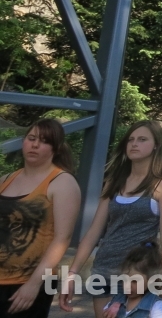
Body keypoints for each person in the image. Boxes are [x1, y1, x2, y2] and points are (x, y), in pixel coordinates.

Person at [62, 121, 162, 318]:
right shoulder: (115, 180)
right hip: (104, 270)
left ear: (156, 145)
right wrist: (72, 273)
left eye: (142, 139)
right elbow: (94, 232)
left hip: (137, 275)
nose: (134, 144)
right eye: (130, 140)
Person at [0, 119, 80, 318]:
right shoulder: (6, 179)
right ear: (23, 141)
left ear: (56, 148)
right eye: (31, 138)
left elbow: (62, 238)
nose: (35, 145)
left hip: (27, 283)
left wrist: (34, 284)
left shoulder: (63, 182)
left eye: (44, 141)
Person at [99, 241, 162, 318]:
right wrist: (108, 314)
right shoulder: (116, 300)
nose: (128, 285)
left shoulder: (156, 306)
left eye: (134, 281)